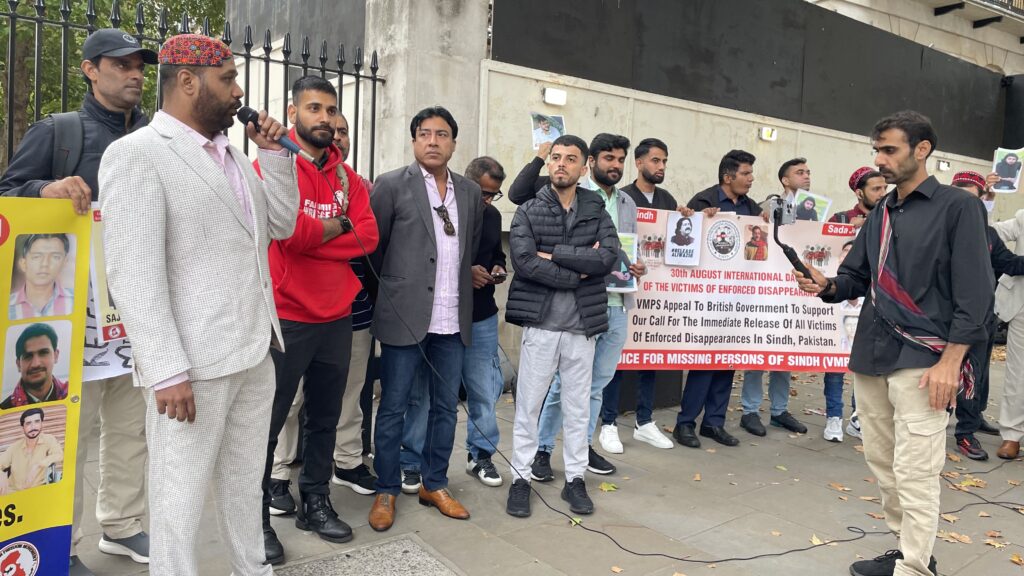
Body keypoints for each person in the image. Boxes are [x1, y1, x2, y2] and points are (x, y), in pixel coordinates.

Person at [99, 33, 299, 576]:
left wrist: (277, 155)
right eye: (228, 79)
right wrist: (165, 370)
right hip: (191, 368)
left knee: (242, 484)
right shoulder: (137, 155)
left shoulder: (234, 156)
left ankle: (251, 568)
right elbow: (134, 275)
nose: (239, 92)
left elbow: (280, 225)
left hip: (254, 353)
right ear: (188, 81)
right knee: (179, 501)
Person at [794, 111, 992, 576]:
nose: (880, 160)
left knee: (916, 472)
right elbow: (856, 277)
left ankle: (914, 569)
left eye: (889, 150)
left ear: (921, 150)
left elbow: (976, 295)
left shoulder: (958, 208)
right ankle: (911, 551)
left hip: (926, 360)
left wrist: (951, 361)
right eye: (877, 151)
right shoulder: (881, 211)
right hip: (873, 353)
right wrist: (826, 286)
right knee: (885, 466)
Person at [0, 29, 155, 572]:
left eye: (140, 65)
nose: (135, 74)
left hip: (136, 312)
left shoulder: (157, 135)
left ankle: (123, 524)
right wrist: (47, 189)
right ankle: (60, 543)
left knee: (130, 427)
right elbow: (7, 192)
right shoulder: (60, 130)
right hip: (71, 319)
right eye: (121, 65)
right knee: (69, 435)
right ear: (90, 70)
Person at [258, 76, 379, 564]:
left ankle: (315, 501)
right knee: (267, 423)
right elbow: (289, 236)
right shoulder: (273, 166)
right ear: (293, 114)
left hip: (337, 315)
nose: (325, 118)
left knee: (325, 418)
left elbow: (368, 237)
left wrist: (320, 236)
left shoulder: (349, 177)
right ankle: (257, 517)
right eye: (315, 109)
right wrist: (336, 228)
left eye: (331, 110)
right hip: (288, 316)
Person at [367, 106, 482, 532]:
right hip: (404, 317)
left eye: (442, 134)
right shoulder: (391, 185)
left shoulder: (468, 192)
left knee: (445, 408)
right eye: (425, 134)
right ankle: (386, 488)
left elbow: (464, 249)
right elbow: (372, 254)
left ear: (454, 142)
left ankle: (434, 482)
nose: (433, 141)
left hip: (453, 318)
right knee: (394, 406)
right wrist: (392, 296)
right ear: (414, 140)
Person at [504, 134, 619, 518]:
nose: (561, 164)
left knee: (577, 408)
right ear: (548, 161)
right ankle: (520, 479)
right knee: (529, 407)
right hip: (542, 326)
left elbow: (607, 259)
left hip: (582, 327)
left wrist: (555, 254)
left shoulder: (597, 209)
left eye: (571, 159)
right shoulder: (529, 209)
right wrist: (578, 270)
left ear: (584, 166)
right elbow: (524, 261)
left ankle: (574, 480)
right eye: (556, 157)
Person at [527, 134, 644, 479]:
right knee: (564, 384)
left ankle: (582, 447)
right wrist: (593, 258)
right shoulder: (575, 196)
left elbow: (618, 251)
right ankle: (544, 450)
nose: (616, 166)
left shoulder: (626, 203)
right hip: (579, 301)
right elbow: (565, 250)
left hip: (618, 301)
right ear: (590, 162)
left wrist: (634, 265)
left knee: (597, 384)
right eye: (609, 158)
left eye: (621, 159)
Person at [673, 150, 761, 449]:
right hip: (707, 298)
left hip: (737, 297)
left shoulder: (751, 207)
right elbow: (686, 242)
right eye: (746, 174)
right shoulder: (703, 200)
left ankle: (714, 423)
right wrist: (699, 219)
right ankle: (685, 424)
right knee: (703, 364)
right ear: (728, 176)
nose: (751, 179)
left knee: (727, 361)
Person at [602, 138, 682, 452]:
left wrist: (685, 215)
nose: (660, 167)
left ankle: (644, 421)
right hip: (622, 288)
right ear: (638, 163)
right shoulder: (624, 199)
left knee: (651, 355)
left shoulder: (667, 198)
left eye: (664, 161)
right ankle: (608, 422)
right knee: (617, 359)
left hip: (659, 290)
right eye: (655, 161)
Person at [954, 170, 1024, 461]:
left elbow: (1003, 257)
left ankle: (970, 424)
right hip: (945, 314)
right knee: (1011, 375)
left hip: (980, 313)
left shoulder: (986, 233)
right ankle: (1007, 434)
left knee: (976, 372)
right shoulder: (936, 226)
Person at [1, 323, 67, 409]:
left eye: (43, 353)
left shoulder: (74, 393)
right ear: (18, 365)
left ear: (55, 356)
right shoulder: (4, 409)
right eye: (28, 356)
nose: (36, 364)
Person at [8, 234, 74, 320]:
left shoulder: (76, 301)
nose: (45, 264)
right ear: (23, 263)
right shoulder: (6, 305)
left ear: (64, 262)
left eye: (55, 257)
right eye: (36, 257)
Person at [0, 408, 63, 494]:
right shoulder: (14, 447)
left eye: (37, 421)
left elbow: (59, 455)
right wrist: (1, 476)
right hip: (13, 493)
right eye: (28, 423)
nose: (33, 427)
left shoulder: (49, 439)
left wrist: (38, 465)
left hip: (37, 493)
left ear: (42, 424)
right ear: (23, 427)